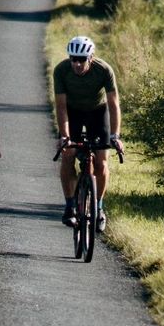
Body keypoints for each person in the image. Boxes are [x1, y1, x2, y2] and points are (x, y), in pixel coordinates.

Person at [53, 34, 120, 229]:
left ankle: (98, 208)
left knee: (101, 162)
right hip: (72, 112)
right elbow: (61, 107)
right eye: (73, 59)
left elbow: (114, 104)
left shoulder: (104, 70)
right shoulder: (61, 70)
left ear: (90, 58)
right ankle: (70, 205)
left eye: (81, 60)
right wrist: (65, 136)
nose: (77, 64)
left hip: (97, 112)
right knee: (68, 154)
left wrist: (115, 135)